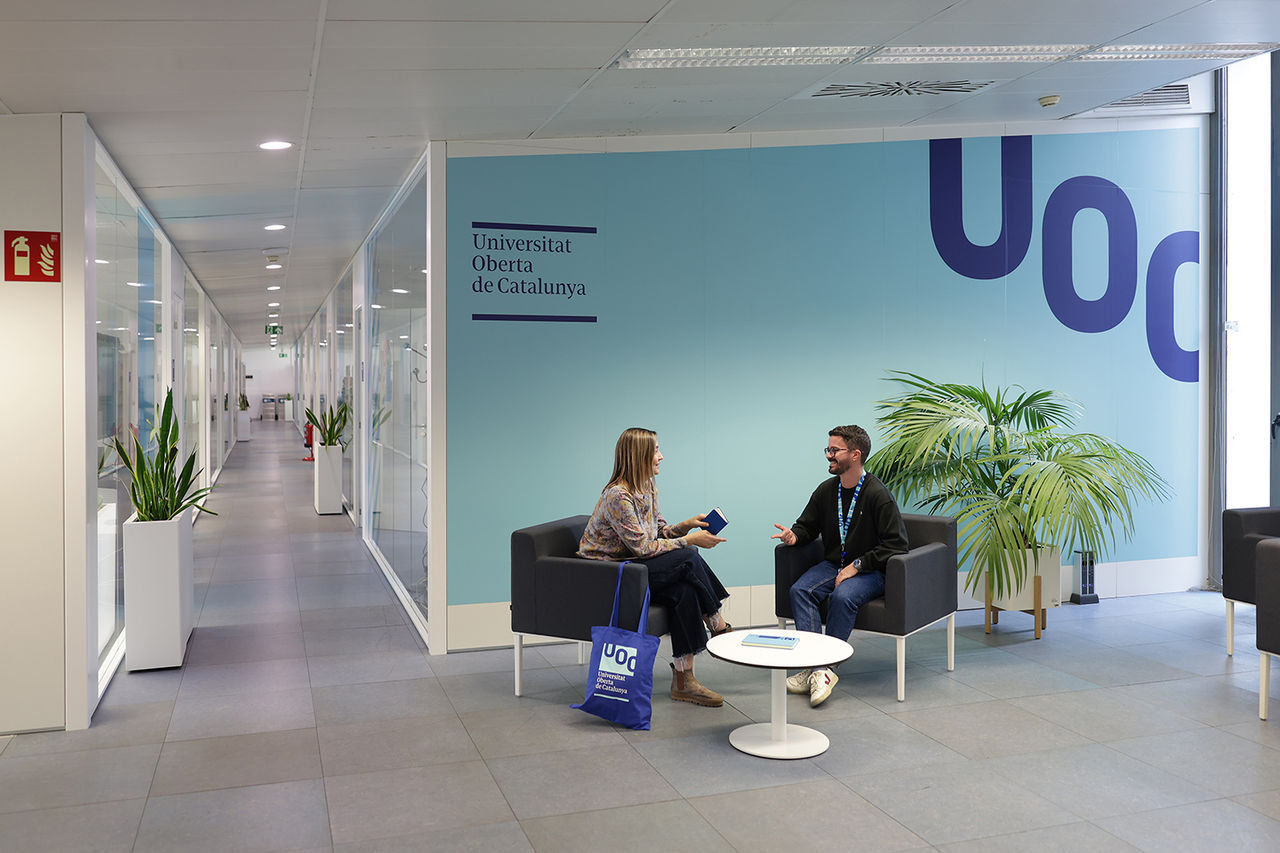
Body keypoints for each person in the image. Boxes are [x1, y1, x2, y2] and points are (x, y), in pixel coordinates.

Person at [579, 427, 732, 707]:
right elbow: (643, 548)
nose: (661, 456)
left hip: (635, 567)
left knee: (684, 590)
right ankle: (716, 621)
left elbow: (658, 533)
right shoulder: (618, 496)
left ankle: (684, 680)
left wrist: (686, 526)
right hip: (611, 575)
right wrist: (688, 540)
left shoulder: (646, 486)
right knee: (690, 555)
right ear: (640, 456)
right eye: (656, 451)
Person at [771, 424, 908, 707]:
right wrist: (794, 536)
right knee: (800, 590)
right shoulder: (827, 490)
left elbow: (897, 545)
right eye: (828, 449)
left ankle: (825, 670)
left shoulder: (877, 494)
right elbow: (806, 525)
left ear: (855, 454)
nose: (829, 455)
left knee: (843, 596)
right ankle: (814, 666)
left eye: (835, 450)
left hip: (872, 571)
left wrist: (858, 565)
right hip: (835, 564)